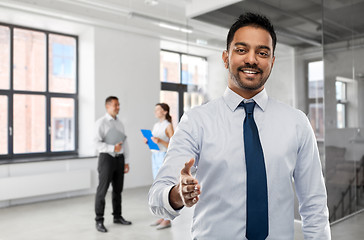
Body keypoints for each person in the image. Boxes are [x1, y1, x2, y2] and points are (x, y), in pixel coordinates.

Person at [148, 12, 331, 239]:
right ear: (226, 57)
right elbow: (157, 196)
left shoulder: (296, 123)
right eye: (241, 50)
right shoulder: (196, 121)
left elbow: (314, 204)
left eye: (262, 53)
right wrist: (178, 194)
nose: (252, 59)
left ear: (272, 61)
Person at [94, 96, 132, 233]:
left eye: (118, 105)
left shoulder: (120, 123)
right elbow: (96, 143)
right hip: (106, 159)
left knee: (118, 190)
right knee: (102, 191)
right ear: (107, 106)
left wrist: (126, 161)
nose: (118, 107)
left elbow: (125, 142)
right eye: (115, 105)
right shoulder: (101, 123)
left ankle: (117, 216)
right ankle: (99, 220)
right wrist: (112, 148)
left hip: (119, 159)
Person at [144, 103, 174, 230]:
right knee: (157, 186)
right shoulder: (156, 125)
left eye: (158, 109)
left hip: (163, 157)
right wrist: (149, 141)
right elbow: (155, 142)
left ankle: (167, 219)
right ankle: (162, 216)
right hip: (155, 156)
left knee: (164, 187)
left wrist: (160, 141)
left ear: (165, 112)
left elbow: (174, 145)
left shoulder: (168, 126)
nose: (155, 111)